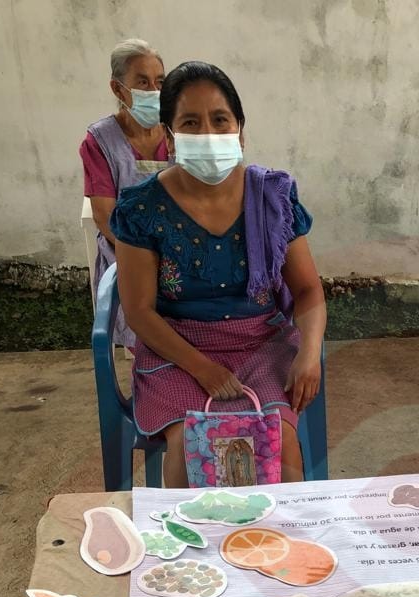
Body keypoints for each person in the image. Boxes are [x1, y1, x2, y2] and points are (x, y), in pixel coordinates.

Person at [111, 61, 325, 485]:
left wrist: (309, 352)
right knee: (191, 447)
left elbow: (308, 290)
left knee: (279, 443)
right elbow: (139, 311)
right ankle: (189, 532)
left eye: (220, 119)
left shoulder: (272, 197)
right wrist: (202, 368)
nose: (208, 133)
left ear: (240, 130)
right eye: (190, 123)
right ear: (170, 136)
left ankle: (282, 530)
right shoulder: (142, 209)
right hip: (177, 349)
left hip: (260, 342)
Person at [80, 38, 170, 347]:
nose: (154, 91)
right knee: (146, 341)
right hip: (128, 251)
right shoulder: (100, 141)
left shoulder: (178, 129)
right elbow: (105, 217)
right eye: (142, 83)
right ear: (118, 90)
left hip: (181, 245)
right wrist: (145, 259)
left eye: (160, 82)